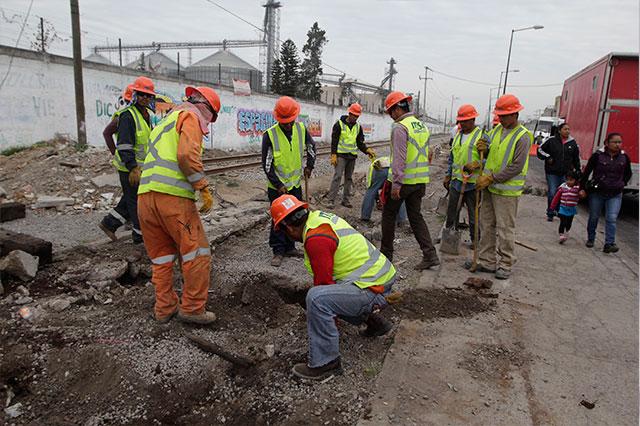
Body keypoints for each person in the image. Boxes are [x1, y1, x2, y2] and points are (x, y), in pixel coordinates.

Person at [270, 194, 396, 380]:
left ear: (288, 227)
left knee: (316, 298)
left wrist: (330, 324)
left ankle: (326, 363)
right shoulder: (319, 219)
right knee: (327, 294)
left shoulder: (316, 239)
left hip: (373, 289)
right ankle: (374, 322)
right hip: (377, 281)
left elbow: (323, 285)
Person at [137, 86, 220, 324]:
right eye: (210, 118)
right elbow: (185, 156)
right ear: (205, 107)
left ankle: (164, 308)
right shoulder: (191, 116)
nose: (208, 124)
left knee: (162, 257)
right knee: (197, 252)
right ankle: (193, 309)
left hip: (145, 198)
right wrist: (202, 186)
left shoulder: (165, 121)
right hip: (172, 199)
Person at [467, 94, 533, 280]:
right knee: (486, 224)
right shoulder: (496, 131)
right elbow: (491, 153)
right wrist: (483, 149)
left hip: (506, 191)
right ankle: (487, 261)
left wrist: (491, 178)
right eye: (500, 115)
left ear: (515, 114)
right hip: (490, 187)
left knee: (505, 228)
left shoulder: (522, 136)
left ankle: (505, 263)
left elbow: (516, 166)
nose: (501, 119)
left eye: (504, 116)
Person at [380, 91, 439, 270]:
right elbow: (427, 154)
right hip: (419, 181)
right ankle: (430, 255)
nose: (391, 116)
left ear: (397, 108)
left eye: (391, 111)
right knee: (416, 217)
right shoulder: (421, 126)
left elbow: (399, 157)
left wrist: (396, 183)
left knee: (389, 216)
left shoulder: (400, 127)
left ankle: (386, 257)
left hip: (403, 182)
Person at [99, 77, 155, 244]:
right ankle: (139, 236)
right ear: (135, 95)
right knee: (136, 202)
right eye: (142, 94)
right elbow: (124, 144)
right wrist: (132, 167)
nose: (145, 98)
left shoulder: (146, 115)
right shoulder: (128, 116)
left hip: (141, 168)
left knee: (130, 199)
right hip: (129, 169)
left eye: (148, 95)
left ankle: (109, 223)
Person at [262, 96, 317, 267]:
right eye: (284, 122)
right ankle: (278, 250)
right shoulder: (270, 135)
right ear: (278, 118)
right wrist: (278, 184)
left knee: (295, 216)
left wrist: (310, 165)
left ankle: (291, 246)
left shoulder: (301, 129)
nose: (287, 125)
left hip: (295, 184)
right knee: (279, 218)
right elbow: (267, 164)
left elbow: (311, 147)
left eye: (290, 121)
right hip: (277, 187)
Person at [580, 133, 632, 252]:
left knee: (611, 218)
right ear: (607, 143)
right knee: (594, 216)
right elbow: (587, 173)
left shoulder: (624, 157)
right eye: (614, 142)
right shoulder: (597, 156)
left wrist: (621, 183)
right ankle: (591, 238)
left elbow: (628, 173)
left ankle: (609, 243)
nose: (617, 145)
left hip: (615, 194)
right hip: (597, 193)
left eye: (619, 142)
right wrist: (582, 188)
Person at [443, 104, 486, 246]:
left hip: (473, 184)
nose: (461, 124)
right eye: (460, 121)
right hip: (457, 181)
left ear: (472, 119)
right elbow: (452, 157)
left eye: (465, 121)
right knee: (452, 212)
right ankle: (449, 237)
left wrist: (479, 163)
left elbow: (490, 158)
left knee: (473, 215)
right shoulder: (457, 136)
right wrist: (448, 175)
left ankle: (475, 241)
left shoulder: (482, 136)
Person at [326, 103, 376, 208]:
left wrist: (367, 150)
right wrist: (333, 154)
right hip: (341, 155)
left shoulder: (358, 127)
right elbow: (334, 141)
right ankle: (330, 200)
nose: (356, 118)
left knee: (348, 178)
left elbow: (360, 143)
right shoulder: (339, 124)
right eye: (354, 115)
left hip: (352, 156)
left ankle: (346, 200)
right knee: (337, 176)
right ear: (349, 113)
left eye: (357, 116)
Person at [537, 122, 581, 221]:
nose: (567, 131)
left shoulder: (573, 143)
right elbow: (540, 149)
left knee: (562, 193)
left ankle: (558, 210)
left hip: (566, 173)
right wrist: (548, 157)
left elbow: (576, 158)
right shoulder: (551, 140)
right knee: (553, 192)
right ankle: (550, 212)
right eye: (565, 129)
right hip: (552, 172)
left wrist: (577, 170)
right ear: (559, 130)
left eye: (569, 129)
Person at [361, 156, 407, 224]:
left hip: (381, 169)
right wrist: (378, 200)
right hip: (394, 168)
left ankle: (365, 217)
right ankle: (401, 219)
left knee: (371, 191)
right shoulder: (388, 159)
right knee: (398, 192)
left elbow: (371, 190)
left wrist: (377, 200)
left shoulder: (372, 170)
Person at [549, 170, 581, 243]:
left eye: (571, 180)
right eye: (567, 180)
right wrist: (552, 207)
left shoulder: (577, 189)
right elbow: (556, 198)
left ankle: (567, 231)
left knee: (569, 222)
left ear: (575, 180)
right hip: (563, 208)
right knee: (562, 222)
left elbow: (581, 194)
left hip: (572, 209)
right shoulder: (562, 188)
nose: (569, 182)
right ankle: (561, 235)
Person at [103, 84, 134, 155]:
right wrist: (115, 154)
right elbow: (107, 133)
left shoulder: (142, 116)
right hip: (128, 161)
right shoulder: (122, 117)